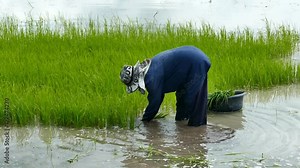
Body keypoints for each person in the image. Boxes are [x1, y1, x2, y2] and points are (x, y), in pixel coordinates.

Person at [120, 46, 211, 126]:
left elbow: (155, 101)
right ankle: (182, 124)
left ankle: (196, 131)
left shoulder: (150, 78)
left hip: (196, 63)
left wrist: (145, 120)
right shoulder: (150, 68)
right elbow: (159, 95)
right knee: (182, 97)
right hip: (193, 58)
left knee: (190, 99)